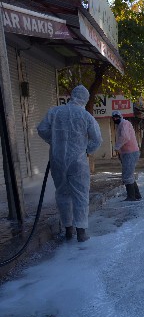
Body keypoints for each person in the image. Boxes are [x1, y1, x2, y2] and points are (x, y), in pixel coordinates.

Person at [37, 84, 102, 242]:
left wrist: (55, 142)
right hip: (78, 162)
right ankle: (81, 232)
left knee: (62, 194)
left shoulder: (55, 111)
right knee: (80, 195)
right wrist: (87, 150)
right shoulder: (85, 116)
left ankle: (68, 229)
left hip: (57, 160)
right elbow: (97, 139)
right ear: (85, 99)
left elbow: (41, 129)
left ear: (72, 96)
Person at [112, 110, 141, 201]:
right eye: (114, 117)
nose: (115, 119)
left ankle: (131, 196)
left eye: (117, 117)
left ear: (121, 116)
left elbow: (125, 137)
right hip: (128, 153)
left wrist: (116, 147)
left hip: (130, 152)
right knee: (129, 174)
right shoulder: (122, 125)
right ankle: (136, 195)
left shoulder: (124, 123)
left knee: (127, 175)